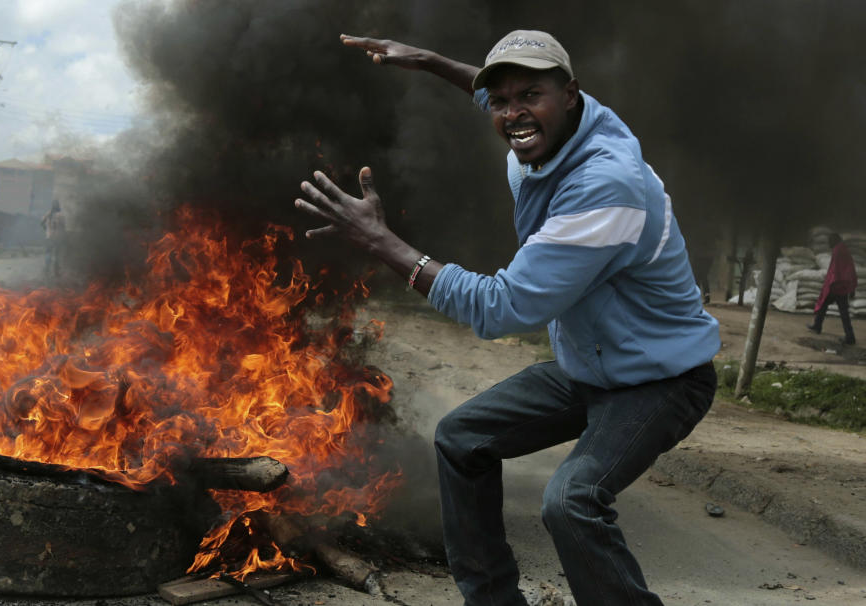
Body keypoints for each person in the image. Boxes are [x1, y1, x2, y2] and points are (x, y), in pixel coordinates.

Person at [295, 30, 720, 606]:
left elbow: (500, 308)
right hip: (590, 366)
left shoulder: (606, 186)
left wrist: (381, 243)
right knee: (461, 438)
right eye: (501, 101)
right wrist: (428, 61)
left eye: (531, 96)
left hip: (660, 380)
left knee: (571, 501)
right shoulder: (557, 128)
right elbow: (500, 94)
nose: (513, 114)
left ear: (570, 95)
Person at [808, 232, 857, 345]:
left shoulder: (837, 250)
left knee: (829, 306)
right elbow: (850, 268)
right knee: (836, 309)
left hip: (837, 286)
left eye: (830, 241)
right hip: (842, 286)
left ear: (834, 240)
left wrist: (829, 285)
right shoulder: (843, 249)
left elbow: (834, 271)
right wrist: (852, 286)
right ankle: (818, 326)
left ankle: (849, 337)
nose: (829, 243)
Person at [40, 199, 66, 278]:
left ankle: (47, 270)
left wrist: (46, 230)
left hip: (49, 237)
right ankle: (56, 272)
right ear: (59, 206)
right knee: (57, 255)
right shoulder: (61, 215)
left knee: (48, 254)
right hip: (57, 238)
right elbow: (63, 227)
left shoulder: (48, 214)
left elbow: (41, 223)